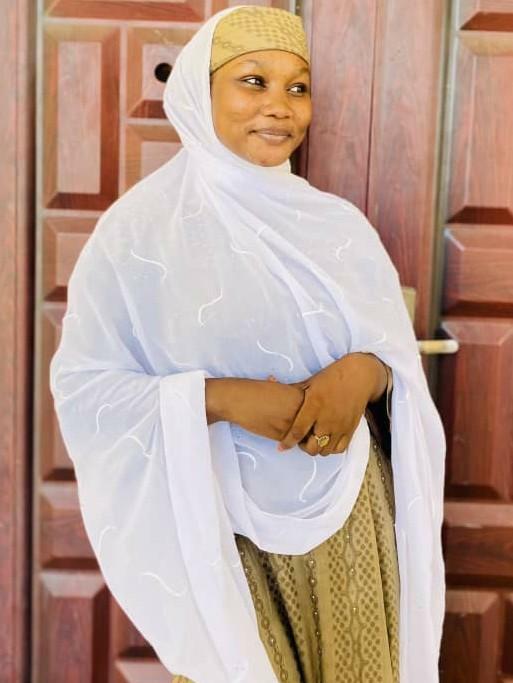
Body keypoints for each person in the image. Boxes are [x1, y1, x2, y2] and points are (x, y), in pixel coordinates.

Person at [49, 5, 446, 683]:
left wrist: (365, 373)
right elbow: (86, 387)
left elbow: (392, 357)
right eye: (253, 81)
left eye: (298, 87)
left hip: (347, 515)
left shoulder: (337, 228)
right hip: (217, 524)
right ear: (199, 93)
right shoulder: (138, 234)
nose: (280, 106)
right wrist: (221, 398)